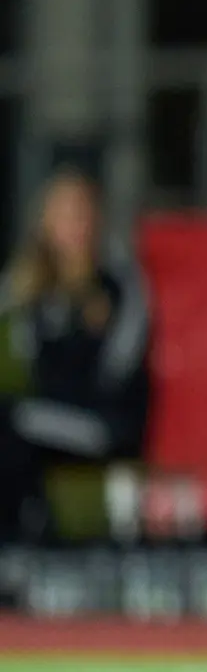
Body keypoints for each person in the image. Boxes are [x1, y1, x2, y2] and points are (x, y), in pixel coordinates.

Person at [0, 169, 151, 545]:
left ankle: (23, 540)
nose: (74, 226)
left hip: (105, 421)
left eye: (81, 213)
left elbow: (116, 373)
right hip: (45, 416)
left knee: (10, 422)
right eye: (64, 215)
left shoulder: (117, 284)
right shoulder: (32, 286)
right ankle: (27, 532)